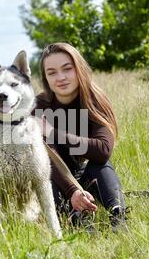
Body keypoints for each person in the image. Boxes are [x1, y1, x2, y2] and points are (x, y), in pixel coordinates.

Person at [31, 42, 127, 232]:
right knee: (43, 176)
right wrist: (72, 191)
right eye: (52, 73)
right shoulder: (39, 106)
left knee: (100, 165)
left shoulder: (94, 99)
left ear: (79, 68)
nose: (61, 78)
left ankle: (118, 215)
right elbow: (44, 161)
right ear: (46, 78)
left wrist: (51, 131)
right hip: (57, 180)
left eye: (67, 69)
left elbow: (102, 150)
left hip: (85, 176)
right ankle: (75, 218)